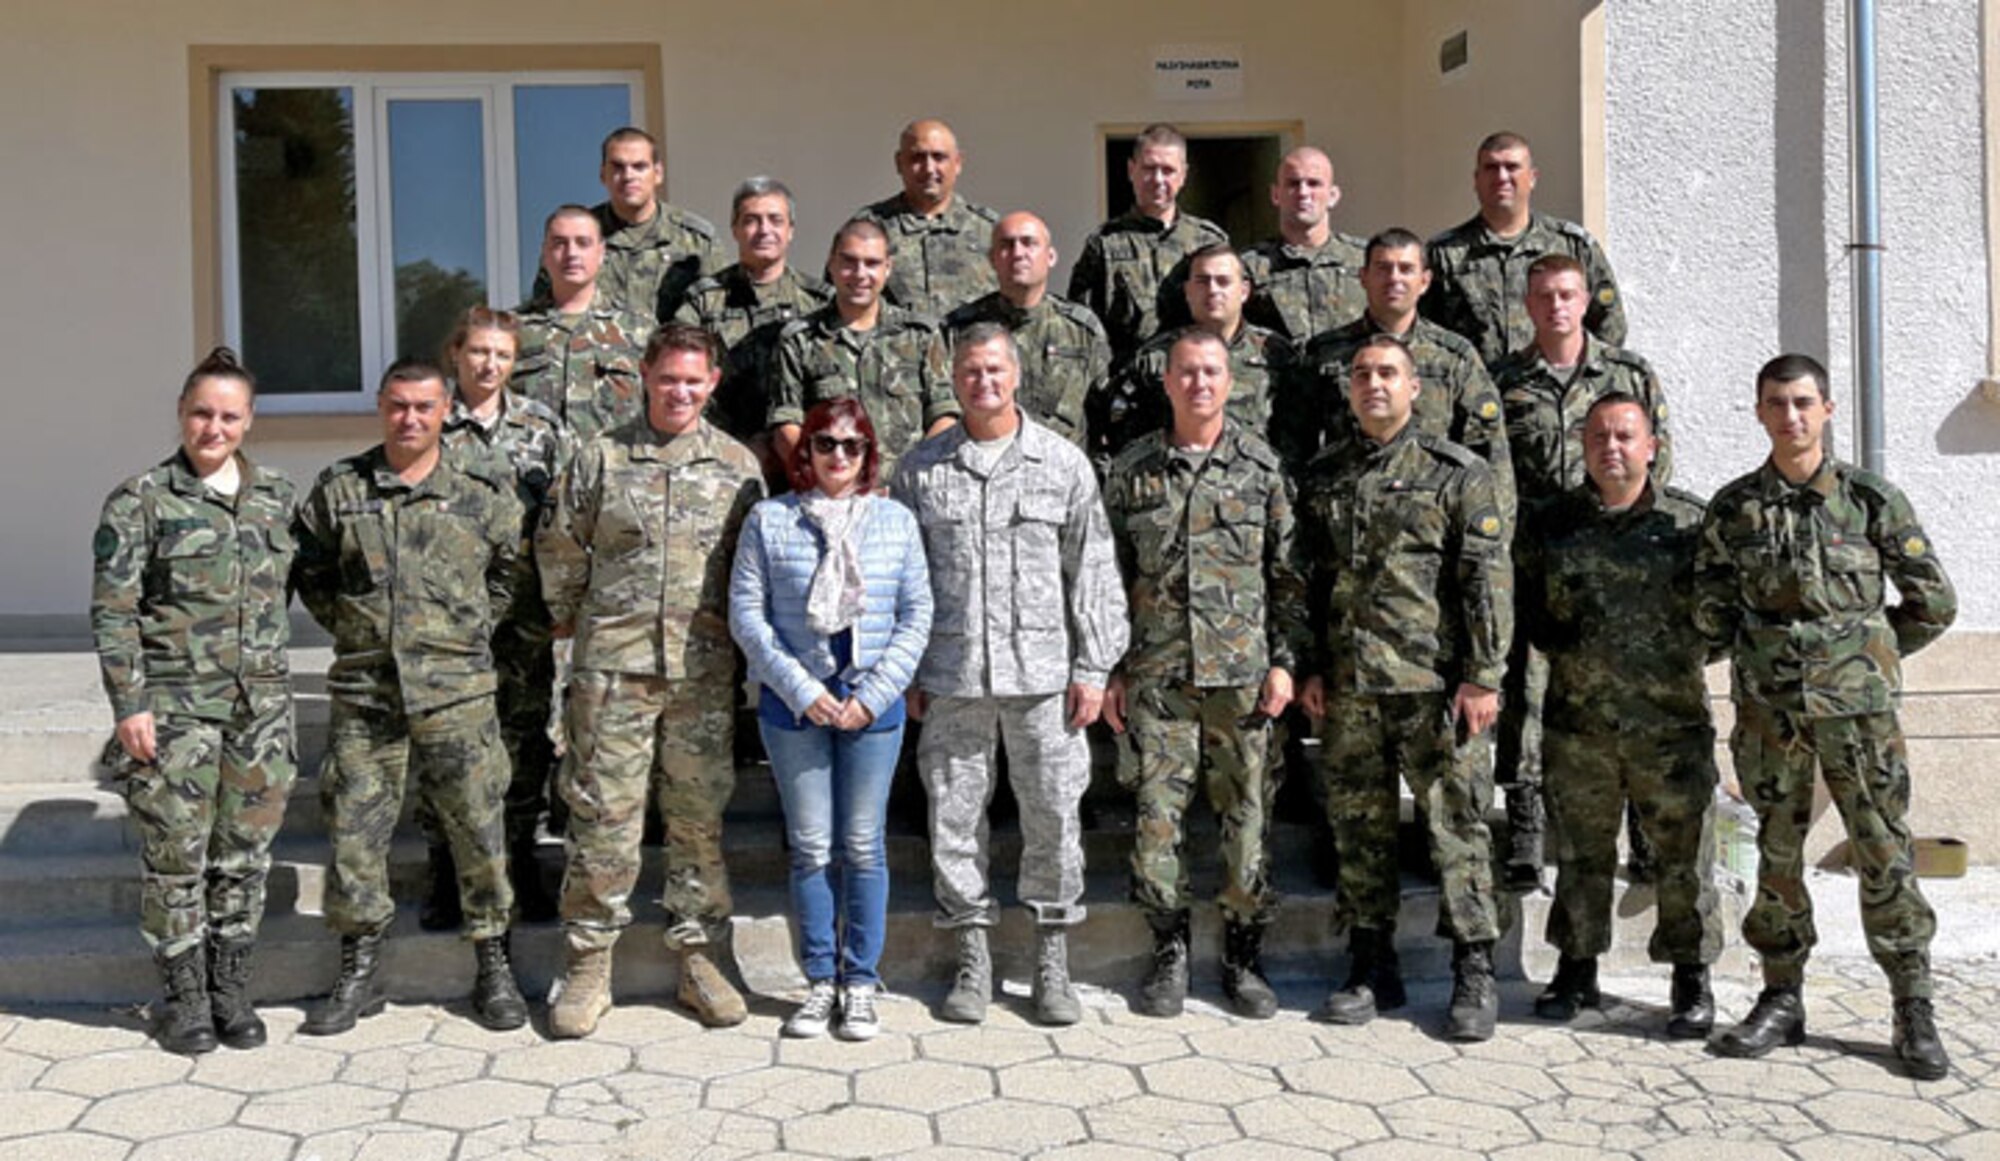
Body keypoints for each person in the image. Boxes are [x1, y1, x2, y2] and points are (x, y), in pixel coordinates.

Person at [1695, 354, 1957, 1080]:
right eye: (1777, 403)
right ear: (1759, 412)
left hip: (1860, 719)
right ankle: (1781, 996)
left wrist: (1868, 658)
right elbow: (1709, 611)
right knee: (1776, 854)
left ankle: (1913, 1004)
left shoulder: (1872, 502)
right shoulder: (1735, 509)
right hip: (1769, 717)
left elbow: (1934, 600)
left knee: (1882, 849)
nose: (1791, 416)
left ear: (1828, 409)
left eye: (1804, 402)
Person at [894, 322, 1129, 1027]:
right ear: (953, 379)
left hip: (1045, 678)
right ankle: (973, 955)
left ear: (1016, 373)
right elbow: (903, 579)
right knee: (954, 816)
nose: (983, 382)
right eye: (969, 371)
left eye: (994, 369)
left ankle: (1051, 959)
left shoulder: (1062, 464)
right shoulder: (920, 469)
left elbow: (1092, 570)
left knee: (1054, 814)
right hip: (952, 675)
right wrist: (904, 667)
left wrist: (1093, 665)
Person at [538, 324, 766, 1037]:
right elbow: (559, 551)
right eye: (669, 378)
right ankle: (587, 961)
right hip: (613, 673)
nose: (681, 392)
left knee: (697, 820)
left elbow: (749, 570)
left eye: (695, 381)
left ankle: (699, 958)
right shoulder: (599, 459)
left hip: (701, 675)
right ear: (644, 374)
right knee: (603, 818)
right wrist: (583, 628)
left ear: (713, 384)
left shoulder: (737, 467)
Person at [291, 360, 528, 1036]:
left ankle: (493, 960)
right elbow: (311, 570)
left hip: (458, 691)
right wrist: (359, 632)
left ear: (446, 408)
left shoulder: (481, 491)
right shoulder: (341, 488)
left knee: (478, 827)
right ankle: (360, 963)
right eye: (398, 405)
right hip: (368, 691)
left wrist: (466, 633)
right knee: (356, 834)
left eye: (424, 406)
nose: (410, 419)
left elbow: (509, 572)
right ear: (380, 405)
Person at [1297, 335, 1511, 1042]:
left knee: (1457, 830)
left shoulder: (1458, 472)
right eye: (1361, 374)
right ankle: (1370, 962)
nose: (1374, 384)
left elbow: (1484, 579)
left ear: (1415, 386)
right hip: (1353, 686)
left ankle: (1473, 969)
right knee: (1360, 831)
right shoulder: (1325, 473)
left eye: (1388, 372)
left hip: (1434, 688)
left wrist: (1484, 674)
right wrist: (1309, 666)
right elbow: (1308, 582)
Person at [90, 348, 297, 1056]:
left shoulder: (278, 497)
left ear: (249, 420)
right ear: (181, 413)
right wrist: (130, 702)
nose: (214, 426)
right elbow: (115, 610)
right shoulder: (141, 499)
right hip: (176, 711)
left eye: (229, 415)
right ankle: (183, 999)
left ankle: (230, 989)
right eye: (202, 412)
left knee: (245, 856)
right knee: (177, 856)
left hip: (260, 712)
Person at [1102, 331, 1307, 1019]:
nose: (1199, 384)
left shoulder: (1261, 469)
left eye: (1211, 371)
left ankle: (1245, 956)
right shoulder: (1132, 470)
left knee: (1246, 822)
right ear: (1166, 380)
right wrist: (1110, 668)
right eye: (1186, 372)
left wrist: (1284, 661)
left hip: (1241, 680)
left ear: (1230, 380)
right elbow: (1107, 580)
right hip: (1157, 678)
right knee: (1157, 822)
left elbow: (1288, 576)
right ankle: (1169, 952)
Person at [1514, 393, 1723, 1036]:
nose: (1612, 448)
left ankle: (1691, 975)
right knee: (1581, 854)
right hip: (1580, 724)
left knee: (1684, 858)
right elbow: (1529, 612)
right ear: (1583, 446)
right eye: (1599, 436)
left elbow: (1721, 615)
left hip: (1670, 725)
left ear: (1652, 445)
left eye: (1626, 436)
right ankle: (1577, 969)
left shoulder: (1690, 523)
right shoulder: (1553, 525)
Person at [729, 399, 932, 1041]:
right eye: (824, 444)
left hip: (872, 705)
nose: (838, 457)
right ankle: (821, 980)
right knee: (813, 845)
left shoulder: (896, 522)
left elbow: (917, 612)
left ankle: (862, 980)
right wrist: (798, 687)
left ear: (870, 455)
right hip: (797, 708)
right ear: (805, 453)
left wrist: (875, 692)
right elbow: (747, 614)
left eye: (852, 446)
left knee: (864, 846)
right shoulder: (770, 520)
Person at [1490, 253, 1674, 888]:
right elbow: (1491, 471)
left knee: (1626, 692)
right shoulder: (1505, 379)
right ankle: (1523, 833)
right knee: (1527, 692)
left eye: (1566, 294)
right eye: (1543, 296)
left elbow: (1658, 461)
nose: (1556, 306)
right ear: (1528, 305)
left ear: (1585, 300)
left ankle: (1645, 835)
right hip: (1537, 556)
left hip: (1615, 558)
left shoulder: (1628, 373)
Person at [415, 307, 572, 930]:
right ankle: (447, 871)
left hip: (524, 617)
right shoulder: (428, 422)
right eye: (478, 352)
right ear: (456, 354)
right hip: (445, 618)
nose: (489, 365)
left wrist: (563, 601)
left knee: (525, 740)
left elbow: (566, 519)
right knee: (449, 745)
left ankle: (521, 865)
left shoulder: (543, 429)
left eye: (502, 355)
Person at [1292, 229, 1512, 508]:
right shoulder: (1324, 353)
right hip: (1345, 517)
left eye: (1406, 269)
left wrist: (1490, 537)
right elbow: (1293, 445)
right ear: (1363, 277)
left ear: (1424, 281)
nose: (1394, 278)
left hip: (1432, 523)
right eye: (1383, 268)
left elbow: (1490, 454)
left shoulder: (1455, 357)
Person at [771, 219, 958, 479]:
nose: (860, 274)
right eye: (849, 261)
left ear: (887, 268)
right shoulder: (801, 340)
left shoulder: (920, 337)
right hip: (830, 496)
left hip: (906, 496)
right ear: (831, 264)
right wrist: (826, 483)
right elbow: (786, 425)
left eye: (872, 263)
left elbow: (944, 416)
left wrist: (912, 479)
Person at [1423, 131, 1626, 368]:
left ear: (1532, 177)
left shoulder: (1572, 246)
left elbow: (1610, 325)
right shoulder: (1444, 254)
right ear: (1476, 179)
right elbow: (1427, 333)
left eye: (1512, 167)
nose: (1501, 177)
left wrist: (1577, 383)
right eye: (1491, 168)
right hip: (1473, 398)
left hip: (1549, 398)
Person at [673, 176, 832, 471]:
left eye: (775, 220)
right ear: (734, 229)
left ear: (790, 230)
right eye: (752, 220)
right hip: (718, 461)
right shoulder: (704, 302)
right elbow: (680, 375)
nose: (764, 230)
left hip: (802, 463)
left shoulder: (819, 303)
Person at [1105, 244, 1297, 458]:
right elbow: (1122, 432)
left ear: (1244, 291)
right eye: (1203, 281)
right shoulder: (1155, 358)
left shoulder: (1275, 354)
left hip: (1257, 483)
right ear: (1188, 291)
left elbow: (1300, 430)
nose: (1213, 290)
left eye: (1223, 281)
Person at [943, 211, 1112, 450]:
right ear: (992, 259)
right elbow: (944, 407)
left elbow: (1104, 413)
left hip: (1063, 476)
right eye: (1006, 245)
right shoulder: (959, 330)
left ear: (1050, 256)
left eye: (1029, 243)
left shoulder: (1081, 329)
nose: (1018, 253)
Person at [1068, 124, 1229, 366]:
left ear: (1183, 175)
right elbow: (1082, 327)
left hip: (1196, 379)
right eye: (1149, 169)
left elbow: (1231, 316)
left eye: (1168, 170)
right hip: (1130, 387)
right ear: (1131, 170)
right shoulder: (1104, 244)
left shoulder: (1208, 241)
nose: (1158, 180)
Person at [531, 127, 724, 324]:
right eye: (618, 167)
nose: (628, 176)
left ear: (657, 174)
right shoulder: (577, 237)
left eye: (639, 166)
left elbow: (716, 313)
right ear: (602, 174)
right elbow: (545, 310)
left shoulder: (696, 239)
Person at [513, 205, 652, 444]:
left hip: (612, 474)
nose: (571, 254)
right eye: (559, 243)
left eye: (583, 243)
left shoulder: (639, 329)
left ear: (601, 253)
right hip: (532, 473)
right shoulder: (512, 329)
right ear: (544, 254)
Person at [853, 119, 999, 318]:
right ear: (899, 163)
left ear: (957, 163)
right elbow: (843, 304)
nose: (929, 168)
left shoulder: (990, 232)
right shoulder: (869, 229)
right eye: (917, 158)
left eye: (939, 157)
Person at [1241, 147, 1366, 343]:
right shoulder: (1249, 266)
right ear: (1275, 194)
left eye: (1314, 183)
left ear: (1333, 195)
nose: (1303, 192)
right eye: (1293, 183)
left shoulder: (1365, 260)